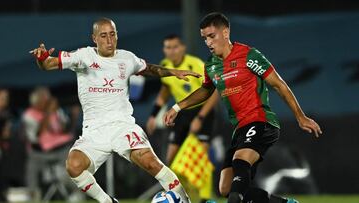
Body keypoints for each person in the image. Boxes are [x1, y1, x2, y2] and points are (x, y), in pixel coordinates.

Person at [30, 18, 200, 203]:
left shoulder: (127, 58)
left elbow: (149, 69)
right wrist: (41, 59)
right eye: (103, 36)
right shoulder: (83, 56)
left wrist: (173, 72)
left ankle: (185, 200)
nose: (109, 40)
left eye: (113, 34)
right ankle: (107, 201)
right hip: (94, 130)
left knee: (151, 163)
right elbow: (48, 64)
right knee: (74, 166)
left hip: (123, 126)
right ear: (94, 38)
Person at [163, 12, 322, 203]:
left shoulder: (248, 55)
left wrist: (300, 116)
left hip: (261, 121)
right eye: (204, 38)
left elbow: (279, 84)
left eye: (212, 36)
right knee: (226, 188)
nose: (208, 42)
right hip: (239, 129)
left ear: (226, 32)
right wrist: (177, 107)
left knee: (239, 167)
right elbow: (205, 91)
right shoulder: (211, 65)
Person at [146, 34, 219, 203]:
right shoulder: (165, 66)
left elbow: (213, 92)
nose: (171, 51)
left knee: (200, 159)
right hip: (182, 113)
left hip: (202, 112)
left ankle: (205, 199)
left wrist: (200, 118)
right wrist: (153, 115)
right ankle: (178, 197)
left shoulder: (196, 64)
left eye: (175, 47)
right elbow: (165, 92)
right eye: (167, 47)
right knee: (171, 159)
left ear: (183, 48)